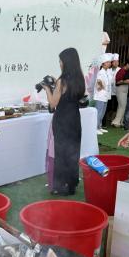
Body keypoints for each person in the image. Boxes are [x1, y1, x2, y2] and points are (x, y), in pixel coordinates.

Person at [42, 47, 86, 196]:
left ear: (66, 62)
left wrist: (47, 89)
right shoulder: (80, 78)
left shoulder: (62, 81)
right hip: (74, 118)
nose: (60, 63)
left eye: (61, 61)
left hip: (62, 120)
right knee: (73, 152)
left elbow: (53, 104)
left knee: (61, 153)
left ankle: (61, 186)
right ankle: (72, 184)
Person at [93, 53, 113, 135]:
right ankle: (95, 128)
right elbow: (99, 82)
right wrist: (102, 86)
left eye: (109, 62)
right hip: (100, 95)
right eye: (107, 62)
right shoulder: (100, 72)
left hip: (106, 95)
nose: (109, 63)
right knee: (99, 112)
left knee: (103, 112)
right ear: (103, 63)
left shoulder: (107, 71)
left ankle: (99, 126)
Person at [111, 58, 129, 128]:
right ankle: (116, 122)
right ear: (128, 64)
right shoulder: (122, 71)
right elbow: (118, 82)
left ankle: (119, 121)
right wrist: (126, 81)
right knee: (122, 106)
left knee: (121, 106)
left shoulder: (125, 71)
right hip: (120, 90)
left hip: (124, 90)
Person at [104, 53, 120, 128]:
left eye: (117, 61)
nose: (116, 63)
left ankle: (113, 119)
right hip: (109, 91)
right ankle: (107, 119)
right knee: (109, 106)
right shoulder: (108, 70)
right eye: (114, 61)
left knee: (115, 106)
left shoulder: (120, 70)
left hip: (117, 91)